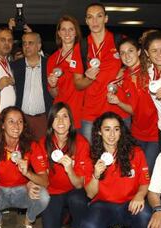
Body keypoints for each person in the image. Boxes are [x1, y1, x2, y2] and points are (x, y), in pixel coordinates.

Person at [81, 112, 151, 228]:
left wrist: (140, 195)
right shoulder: (91, 156)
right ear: (99, 131)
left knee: (146, 214)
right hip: (103, 205)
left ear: (121, 131)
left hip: (129, 205)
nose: (112, 134)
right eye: (107, 129)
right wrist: (96, 175)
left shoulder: (136, 153)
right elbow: (90, 193)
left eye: (116, 129)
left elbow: (144, 182)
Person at [39, 103, 91, 228]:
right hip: (53, 193)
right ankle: (64, 215)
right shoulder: (43, 143)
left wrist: (69, 170)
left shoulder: (81, 143)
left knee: (77, 199)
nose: (61, 121)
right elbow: (40, 175)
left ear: (71, 121)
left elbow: (80, 185)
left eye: (64, 116)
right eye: (56, 117)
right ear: (50, 122)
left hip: (74, 191)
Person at [71, 3, 123, 141]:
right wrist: (88, 78)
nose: (95, 21)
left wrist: (124, 69)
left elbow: (136, 63)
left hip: (117, 110)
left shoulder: (119, 41)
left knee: (120, 156)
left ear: (106, 18)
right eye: (90, 17)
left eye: (99, 16)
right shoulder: (81, 46)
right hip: (91, 113)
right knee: (90, 156)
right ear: (86, 21)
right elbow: (77, 84)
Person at [106, 37, 158, 173]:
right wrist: (118, 102)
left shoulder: (152, 71)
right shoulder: (124, 78)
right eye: (122, 53)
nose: (126, 55)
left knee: (148, 172)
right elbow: (133, 110)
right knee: (137, 172)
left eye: (130, 51)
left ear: (139, 51)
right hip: (137, 133)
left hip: (156, 133)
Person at [11, 32, 53, 140]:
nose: (26, 46)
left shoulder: (49, 65)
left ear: (39, 46)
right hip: (21, 119)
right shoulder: (15, 66)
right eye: (24, 43)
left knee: (43, 151)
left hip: (43, 119)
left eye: (30, 43)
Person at [47, 15, 84, 129]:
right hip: (61, 114)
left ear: (76, 32)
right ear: (59, 33)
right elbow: (54, 94)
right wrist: (53, 85)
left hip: (83, 112)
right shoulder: (53, 59)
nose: (67, 33)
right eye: (63, 29)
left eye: (71, 29)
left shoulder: (84, 53)